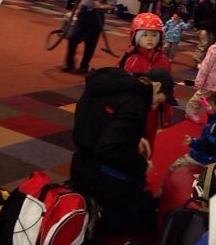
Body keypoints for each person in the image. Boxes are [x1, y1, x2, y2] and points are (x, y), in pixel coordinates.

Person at [70, 67, 178, 234]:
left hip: (80, 164)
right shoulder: (136, 103)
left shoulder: (112, 86)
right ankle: (95, 218)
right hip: (100, 178)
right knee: (147, 219)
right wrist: (142, 165)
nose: (157, 106)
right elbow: (109, 150)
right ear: (156, 86)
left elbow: (101, 121)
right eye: (160, 100)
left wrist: (133, 137)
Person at [120, 13, 172, 151]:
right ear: (135, 36)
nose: (150, 38)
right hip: (132, 110)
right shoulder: (130, 60)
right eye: (144, 34)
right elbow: (120, 85)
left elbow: (168, 89)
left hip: (153, 111)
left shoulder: (164, 61)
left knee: (148, 143)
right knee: (128, 142)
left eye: (154, 35)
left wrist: (166, 114)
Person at [63, 0, 116, 74]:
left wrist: (101, 6)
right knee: (73, 37)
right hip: (83, 13)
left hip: (96, 16)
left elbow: (111, 5)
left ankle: (84, 66)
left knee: (90, 43)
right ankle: (69, 63)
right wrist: (77, 9)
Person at [186, 28, 216, 123]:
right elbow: (206, 65)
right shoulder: (215, 49)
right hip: (211, 81)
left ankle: (213, 116)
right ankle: (190, 112)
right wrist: (200, 80)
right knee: (199, 97)